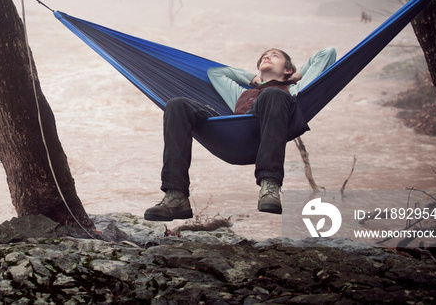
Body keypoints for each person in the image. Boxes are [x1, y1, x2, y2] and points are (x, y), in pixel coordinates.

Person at [144, 46, 337, 221]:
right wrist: (252, 79)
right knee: (176, 105)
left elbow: (327, 54)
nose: (267, 57)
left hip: (261, 139)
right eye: (264, 56)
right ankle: (176, 196)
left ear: (288, 69)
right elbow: (215, 73)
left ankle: (270, 186)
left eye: (274, 56)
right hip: (232, 136)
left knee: (273, 94)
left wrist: (297, 75)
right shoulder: (240, 94)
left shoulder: (295, 91)